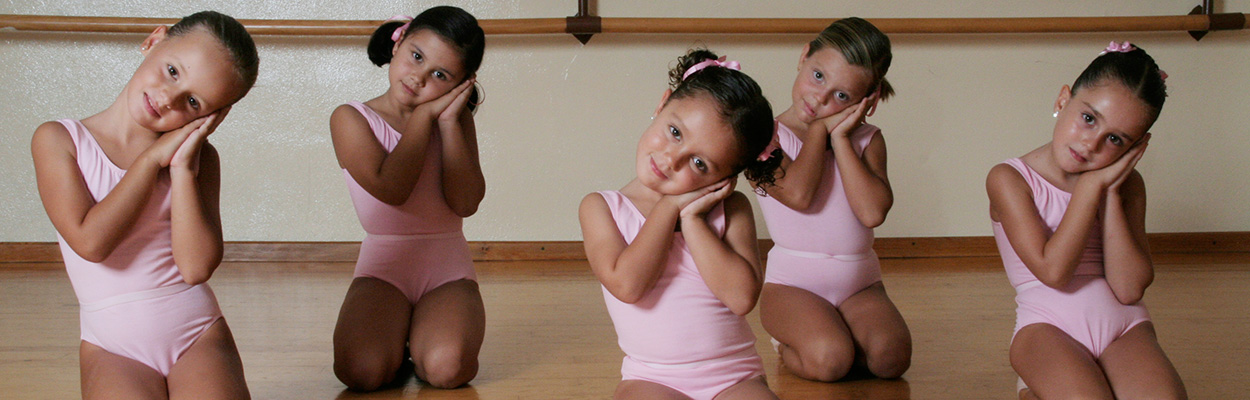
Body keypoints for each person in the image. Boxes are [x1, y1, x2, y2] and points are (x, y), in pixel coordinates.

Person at [31, 10, 259, 399]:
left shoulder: (201, 160)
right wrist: (152, 160)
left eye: (192, 101)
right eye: (173, 71)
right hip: (112, 345)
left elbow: (195, 267)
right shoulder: (59, 139)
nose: (168, 98)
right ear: (154, 41)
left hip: (196, 332)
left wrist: (183, 169)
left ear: (209, 117)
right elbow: (91, 243)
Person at [985, 41, 1186, 399]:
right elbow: (1053, 272)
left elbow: (1129, 289)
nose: (1091, 145)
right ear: (1063, 101)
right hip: (1047, 328)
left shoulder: (1127, 186)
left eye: (1115, 139)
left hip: (1125, 327)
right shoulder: (1010, 178)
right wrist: (1091, 186)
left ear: (1135, 147)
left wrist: (1109, 193)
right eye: (1089, 118)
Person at [579, 48, 782, 400]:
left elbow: (740, 298)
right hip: (652, 378)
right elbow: (628, 285)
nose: (672, 159)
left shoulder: (731, 209)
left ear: (725, 179)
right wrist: (671, 206)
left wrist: (692, 220)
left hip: (734, 376)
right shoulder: (602, 207)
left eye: (700, 164)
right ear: (662, 105)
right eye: (675, 131)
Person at [329, 6, 487, 391]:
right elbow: (392, 189)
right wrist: (422, 118)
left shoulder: (456, 119)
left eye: (440, 75)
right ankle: (396, 340)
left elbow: (466, 203)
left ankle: (424, 337)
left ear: (461, 84)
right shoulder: (351, 118)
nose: (417, 78)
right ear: (398, 43)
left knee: (448, 369)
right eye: (416, 56)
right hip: (384, 267)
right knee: (361, 372)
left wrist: (448, 121)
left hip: (446, 267)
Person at [752, 17, 910, 382]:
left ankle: (837, 331)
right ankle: (792, 342)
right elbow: (800, 194)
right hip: (793, 285)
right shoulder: (763, 135)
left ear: (866, 101)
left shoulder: (867, 140)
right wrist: (822, 129)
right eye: (818, 76)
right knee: (831, 361)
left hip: (860, 283)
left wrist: (841, 140)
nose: (820, 98)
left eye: (842, 96)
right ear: (804, 56)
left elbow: (872, 213)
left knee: (892, 359)